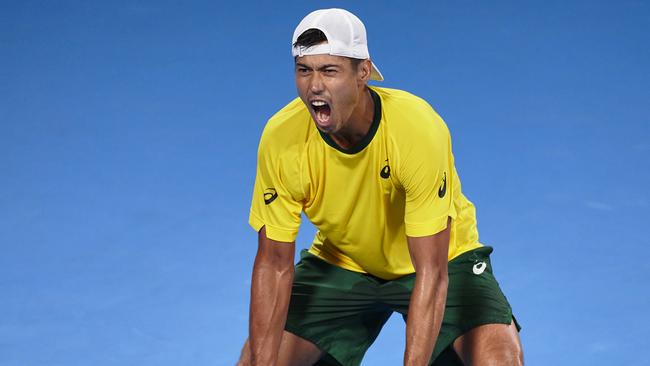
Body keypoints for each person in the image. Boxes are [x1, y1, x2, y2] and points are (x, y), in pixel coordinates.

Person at [238, 8, 523, 366]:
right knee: (256, 360)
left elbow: (432, 273)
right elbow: (274, 265)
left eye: (329, 70)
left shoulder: (415, 129)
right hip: (343, 260)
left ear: (364, 72)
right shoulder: (282, 137)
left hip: (444, 260)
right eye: (304, 70)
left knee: (498, 358)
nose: (314, 86)